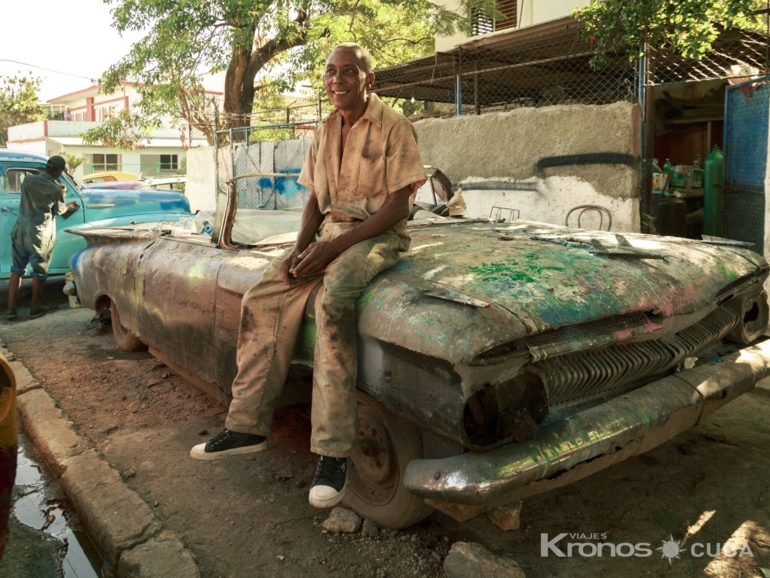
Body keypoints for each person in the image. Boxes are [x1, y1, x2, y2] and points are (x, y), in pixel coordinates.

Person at [191, 42, 426, 509]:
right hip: (330, 233)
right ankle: (246, 427)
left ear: (368, 78)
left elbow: (399, 206)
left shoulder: (395, 126)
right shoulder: (322, 129)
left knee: (334, 301)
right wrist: (298, 251)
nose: (336, 79)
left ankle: (333, 454)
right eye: (329, 72)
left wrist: (334, 248)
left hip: (378, 235)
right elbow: (316, 200)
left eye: (348, 72)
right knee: (264, 294)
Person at [6, 156, 79, 321]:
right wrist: (66, 199)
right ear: (59, 172)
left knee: (16, 269)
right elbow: (60, 210)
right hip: (39, 234)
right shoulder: (56, 190)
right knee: (39, 272)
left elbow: (37, 190)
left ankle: (11, 309)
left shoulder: (28, 180)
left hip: (19, 230)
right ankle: (35, 307)